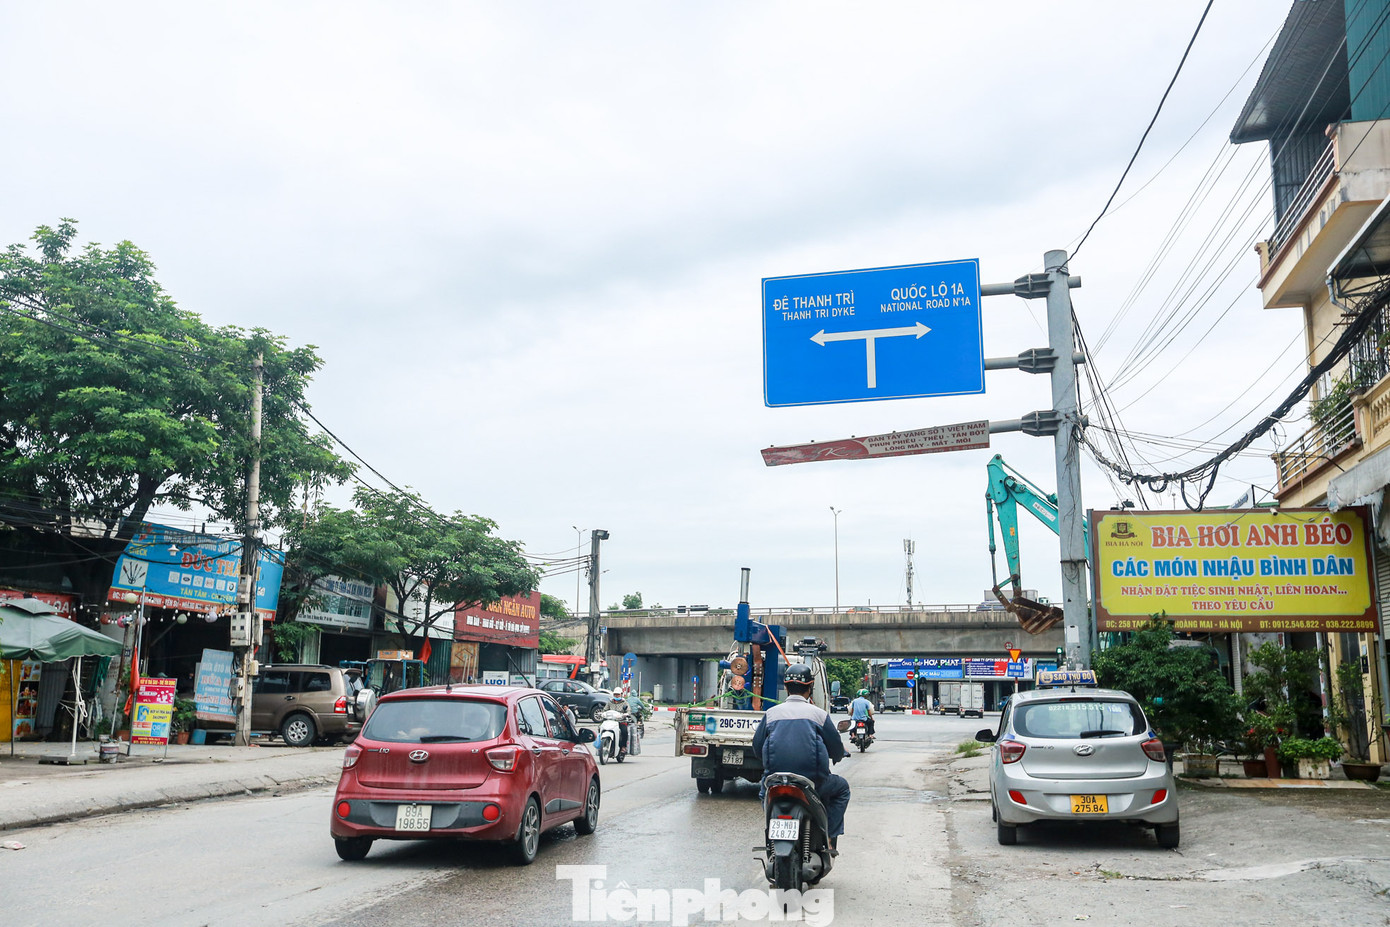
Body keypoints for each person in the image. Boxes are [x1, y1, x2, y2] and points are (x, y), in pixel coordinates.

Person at [751, 663, 850, 854]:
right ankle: (829, 836)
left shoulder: (771, 714)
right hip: (813, 782)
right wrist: (839, 754)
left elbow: (757, 746)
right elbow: (836, 747)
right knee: (842, 789)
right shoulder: (819, 715)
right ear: (810, 687)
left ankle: (771, 832)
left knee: (764, 793)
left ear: (786, 687)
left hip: (775, 780)